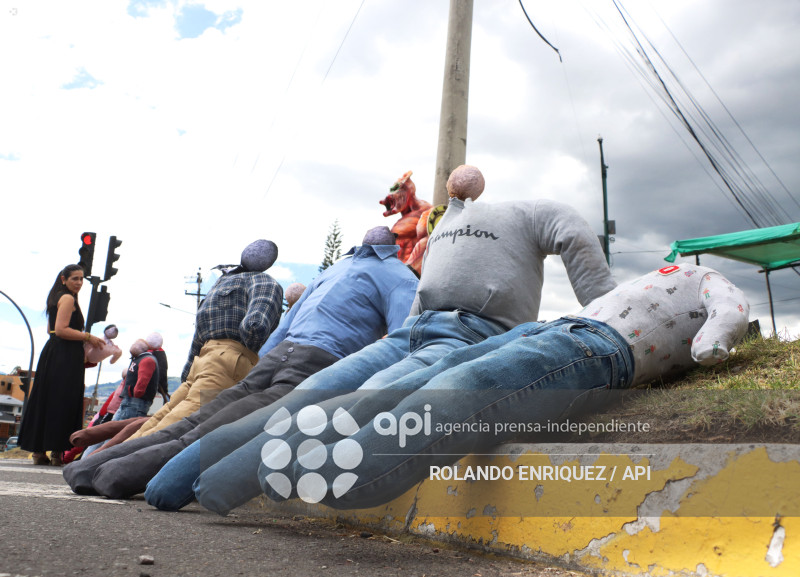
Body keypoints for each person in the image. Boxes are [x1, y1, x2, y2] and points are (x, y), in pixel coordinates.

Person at [141, 165, 617, 512]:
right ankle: (180, 478)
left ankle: (208, 485)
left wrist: (605, 309)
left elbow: (569, 233)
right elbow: (425, 290)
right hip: (413, 331)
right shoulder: (445, 223)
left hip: (466, 333)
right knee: (319, 400)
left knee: (342, 404)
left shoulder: (528, 213)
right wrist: (607, 311)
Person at [252, 264, 751, 511]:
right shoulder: (663, 271)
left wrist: (712, 343)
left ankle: (343, 471)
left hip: (601, 348)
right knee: (424, 378)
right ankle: (313, 454)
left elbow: (727, 312)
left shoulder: (710, 276)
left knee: (465, 386)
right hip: (555, 326)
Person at [63, 226, 419, 498]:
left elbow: (284, 328)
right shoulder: (399, 277)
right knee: (219, 430)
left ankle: (87, 468)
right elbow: (404, 338)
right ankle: (115, 477)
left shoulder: (331, 272)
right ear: (395, 248)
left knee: (189, 421)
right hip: (317, 362)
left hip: (277, 356)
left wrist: (262, 366)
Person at [125, 239, 283, 440]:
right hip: (230, 359)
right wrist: (251, 351)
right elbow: (255, 325)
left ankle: (111, 457)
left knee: (162, 417)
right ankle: (116, 467)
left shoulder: (219, 285)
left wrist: (188, 371)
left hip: (202, 359)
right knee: (180, 428)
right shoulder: (264, 281)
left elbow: (198, 336)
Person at [17, 264, 105, 466]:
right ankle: (57, 452)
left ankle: (39, 452)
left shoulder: (55, 297)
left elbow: (51, 331)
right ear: (64, 279)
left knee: (47, 398)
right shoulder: (67, 298)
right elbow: (61, 329)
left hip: (55, 352)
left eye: (82, 279)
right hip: (65, 355)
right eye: (75, 278)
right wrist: (88, 337)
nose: (80, 283)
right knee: (63, 400)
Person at [145, 332, 169, 404]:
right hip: (157, 390)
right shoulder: (161, 354)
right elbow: (162, 375)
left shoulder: (143, 353)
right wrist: (165, 390)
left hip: (146, 392)